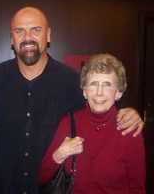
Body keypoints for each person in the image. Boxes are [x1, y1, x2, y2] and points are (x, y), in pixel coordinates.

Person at [0, 7, 144, 194]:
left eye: (35, 29)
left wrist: (129, 112)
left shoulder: (71, 81)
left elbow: (98, 107)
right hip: (3, 188)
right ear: (12, 38)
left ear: (48, 34)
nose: (27, 37)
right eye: (19, 31)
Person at [39, 53, 146, 193]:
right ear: (84, 91)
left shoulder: (129, 129)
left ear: (119, 92)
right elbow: (42, 176)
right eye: (94, 84)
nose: (99, 93)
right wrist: (59, 154)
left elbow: (137, 188)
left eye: (107, 85)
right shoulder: (68, 124)